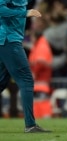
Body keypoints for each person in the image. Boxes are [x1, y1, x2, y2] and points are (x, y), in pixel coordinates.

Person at [0, 0, 51, 133]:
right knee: (26, 80)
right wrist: (25, 13)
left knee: (1, 82)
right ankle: (30, 125)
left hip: (7, 40)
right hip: (9, 40)